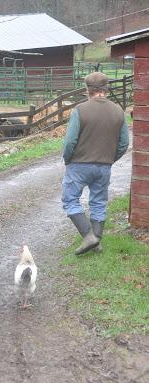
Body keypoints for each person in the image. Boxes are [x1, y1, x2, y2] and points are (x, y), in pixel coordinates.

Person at [61, 72, 129, 255]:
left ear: (88, 90)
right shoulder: (118, 111)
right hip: (104, 166)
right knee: (99, 201)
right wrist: (109, 159)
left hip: (79, 165)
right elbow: (124, 143)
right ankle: (96, 242)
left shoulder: (80, 110)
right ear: (106, 89)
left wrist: (68, 159)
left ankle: (89, 237)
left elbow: (69, 142)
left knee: (70, 199)